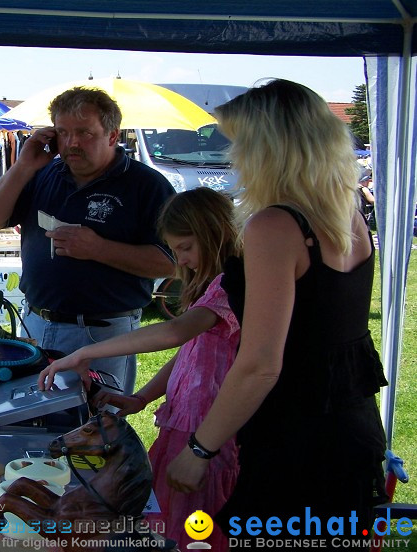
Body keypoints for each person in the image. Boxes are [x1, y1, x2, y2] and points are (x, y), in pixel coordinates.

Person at [165, 80, 388, 548]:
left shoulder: (275, 225)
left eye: (241, 143)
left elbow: (262, 362)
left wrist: (199, 448)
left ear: (268, 148)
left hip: (297, 439)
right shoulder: (345, 212)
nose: (235, 156)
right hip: (353, 428)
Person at [38, 187, 241, 552]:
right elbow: (189, 353)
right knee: (165, 518)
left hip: (208, 432)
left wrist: (84, 352)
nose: (181, 259)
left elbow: (175, 333)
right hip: (182, 424)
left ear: (215, 233)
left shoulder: (231, 288)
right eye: (175, 250)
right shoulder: (212, 288)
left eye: (186, 247)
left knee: (194, 528)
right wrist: (143, 397)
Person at [0, 86, 175, 394]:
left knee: (95, 429)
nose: (72, 143)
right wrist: (24, 166)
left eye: (85, 132)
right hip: (37, 323)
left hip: (104, 334)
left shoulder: (147, 186)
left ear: (112, 135)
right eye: (63, 132)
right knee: (33, 421)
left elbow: (171, 263)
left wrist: (99, 249)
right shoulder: (42, 173)